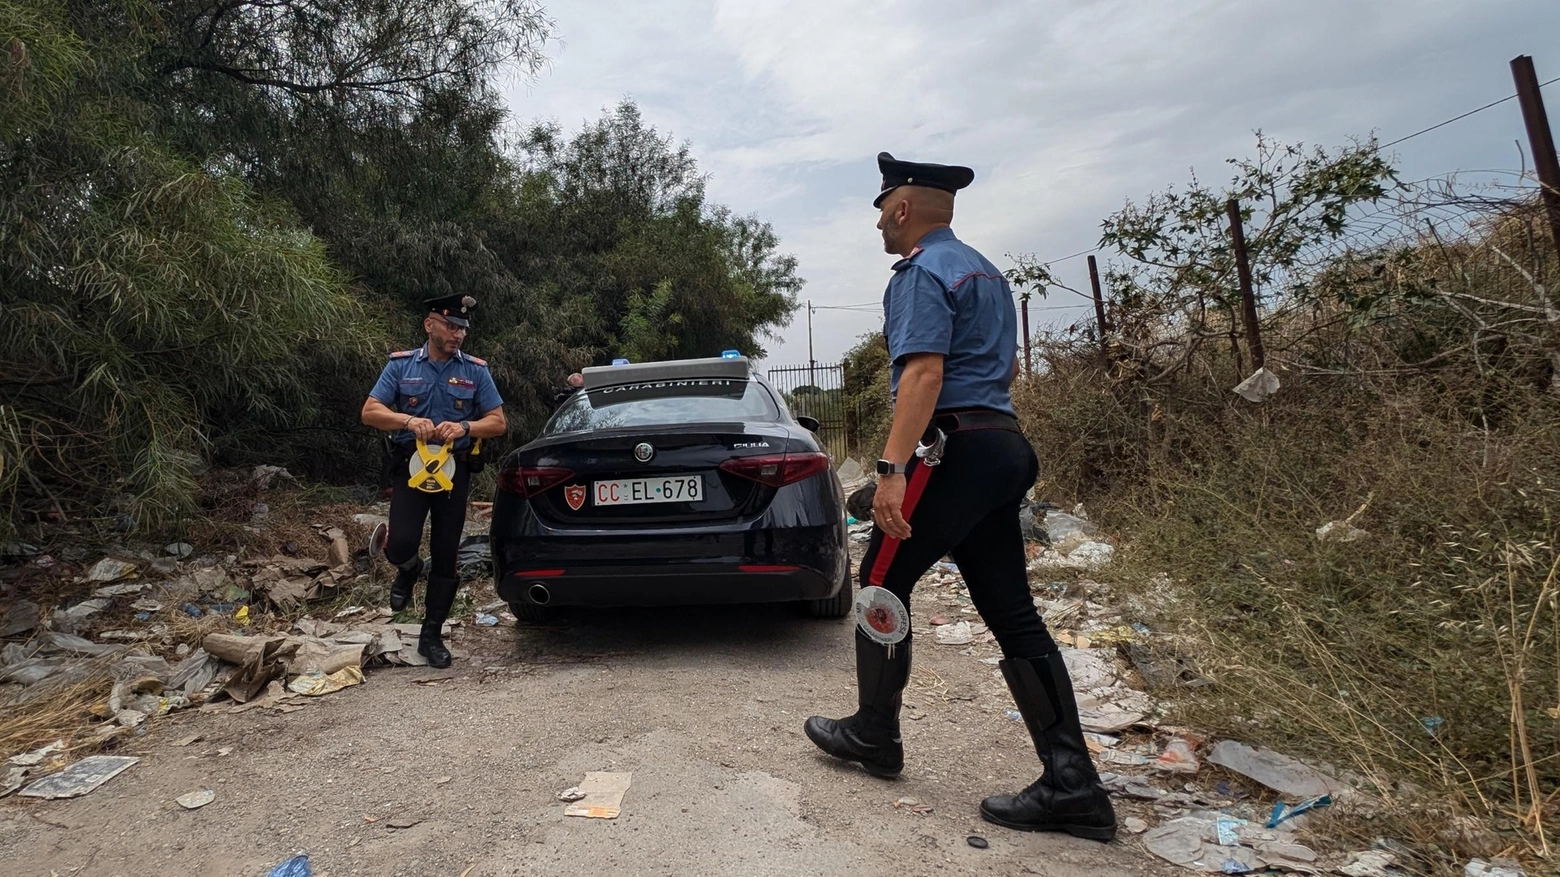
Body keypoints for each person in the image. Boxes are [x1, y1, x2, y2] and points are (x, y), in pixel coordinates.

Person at [802, 153, 1116, 841]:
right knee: (1010, 608)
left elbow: (923, 375)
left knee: (882, 579)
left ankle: (875, 734)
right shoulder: (984, 270)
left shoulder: (920, 272)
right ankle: (1074, 783)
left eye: (883, 208)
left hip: (952, 445)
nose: (880, 221)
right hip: (1001, 443)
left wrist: (891, 469)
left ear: (904, 208)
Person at [360, 294, 506, 668]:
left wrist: (465, 426)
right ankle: (408, 569)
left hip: (452, 471)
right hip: (410, 467)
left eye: (462, 329)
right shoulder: (401, 365)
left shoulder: (475, 370)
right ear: (430, 326)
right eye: (451, 326)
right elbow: (370, 411)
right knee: (400, 543)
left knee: (446, 552)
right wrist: (407, 421)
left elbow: (498, 422)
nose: (458, 335)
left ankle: (431, 634)